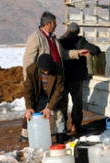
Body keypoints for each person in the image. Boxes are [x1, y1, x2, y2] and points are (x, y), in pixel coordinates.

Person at [21, 11, 90, 142]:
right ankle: (26, 134)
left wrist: (78, 53)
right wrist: (30, 80)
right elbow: (28, 62)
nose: (56, 25)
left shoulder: (53, 39)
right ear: (47, 24)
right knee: (36, 107)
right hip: (42, 78)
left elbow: (62, 54)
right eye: (54, 22)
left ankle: (60, 133)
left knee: (60, 104)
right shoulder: (36, 38)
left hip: (56, 76)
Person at [59, 22, 101, 133]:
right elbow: (95, 50)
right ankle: (75, 126)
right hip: (76, 77)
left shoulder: (60, 41)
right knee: (77, 102)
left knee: (62, 103)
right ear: (77, 31)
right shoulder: (79, 40)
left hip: (62, 76)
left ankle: (61, 127)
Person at [23, 54, 68, 144]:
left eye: (48, 70)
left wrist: (49, 108)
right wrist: (29, 107)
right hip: (40, 94)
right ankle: (28, 135)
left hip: (56, 94)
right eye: (44, 70)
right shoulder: (31, 70)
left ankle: (60, 136)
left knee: (59, 114)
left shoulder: (59, 70)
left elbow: (58, 92)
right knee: (36, 114)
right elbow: (28, 90)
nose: (46, 72)